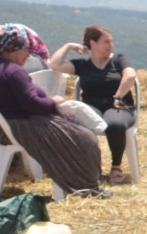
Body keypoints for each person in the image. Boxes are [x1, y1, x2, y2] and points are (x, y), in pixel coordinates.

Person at [0, 24, 106, 198]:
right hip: (20, 126)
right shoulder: (12, 71)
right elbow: (33, 104)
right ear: (11, 49)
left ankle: (85, 184)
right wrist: (53, 101)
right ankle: (84, 186)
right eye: (25, 49)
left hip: (6, 126)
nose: (28, 53)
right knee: (84, 137)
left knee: (81, 133)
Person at [51, 26, 138, 183]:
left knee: (115, 124)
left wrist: (118, 96)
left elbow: (130, 75)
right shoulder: (82, 65)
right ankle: (88, 167)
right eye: (106, 42)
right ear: (93, 43)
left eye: (111, 41)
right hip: (92, 106)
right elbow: (54, 64)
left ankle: (116, 166)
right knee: (78, 122)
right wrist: (69, 46)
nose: (111, 45)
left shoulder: (118, 59)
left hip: (119, 106)